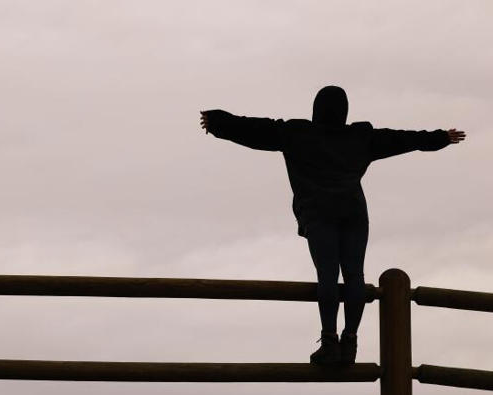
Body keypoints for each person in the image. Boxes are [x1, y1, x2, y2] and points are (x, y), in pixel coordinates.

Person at [199, 85, 465, 365]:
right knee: (355, 276)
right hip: (354, 213)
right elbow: (402, 139)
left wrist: (217, 121)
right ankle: (350, 342)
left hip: (319, 213)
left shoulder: (296, 134)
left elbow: (252, 129)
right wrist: (441, 138)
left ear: (315, 109)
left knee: (327, 275)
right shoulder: (360, 138)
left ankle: (329, 342)